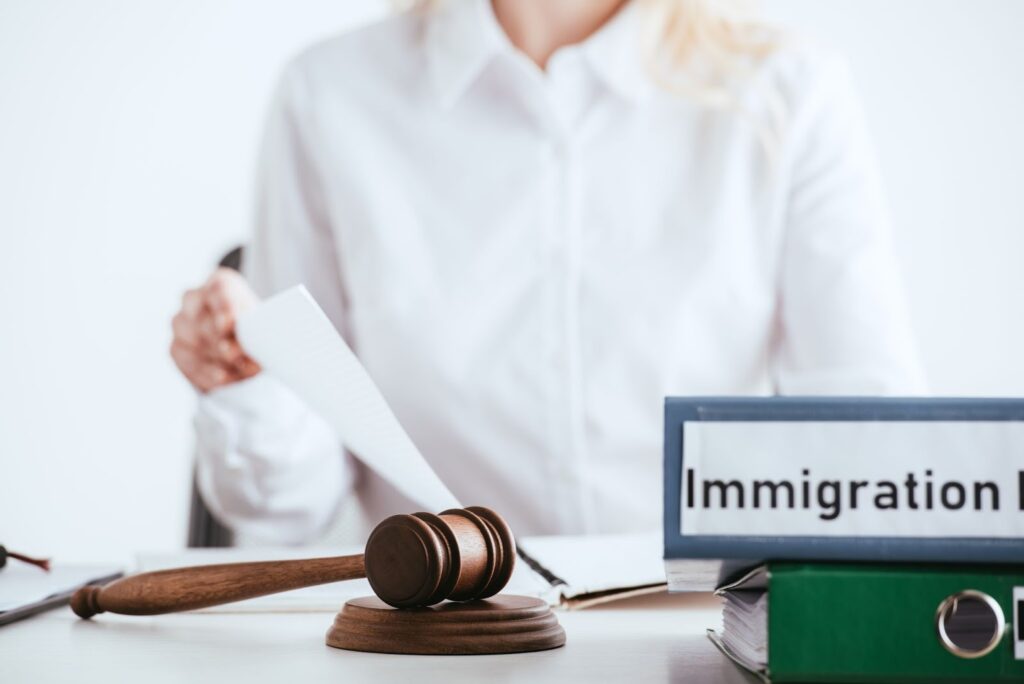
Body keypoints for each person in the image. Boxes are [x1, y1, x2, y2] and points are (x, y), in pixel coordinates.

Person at [170, 0, 926, 544]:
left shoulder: (788, 91)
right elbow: (284, 509)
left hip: (705, 636)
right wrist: (246, 385)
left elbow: (873, 453)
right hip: (442, 643)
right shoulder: (329, 94)